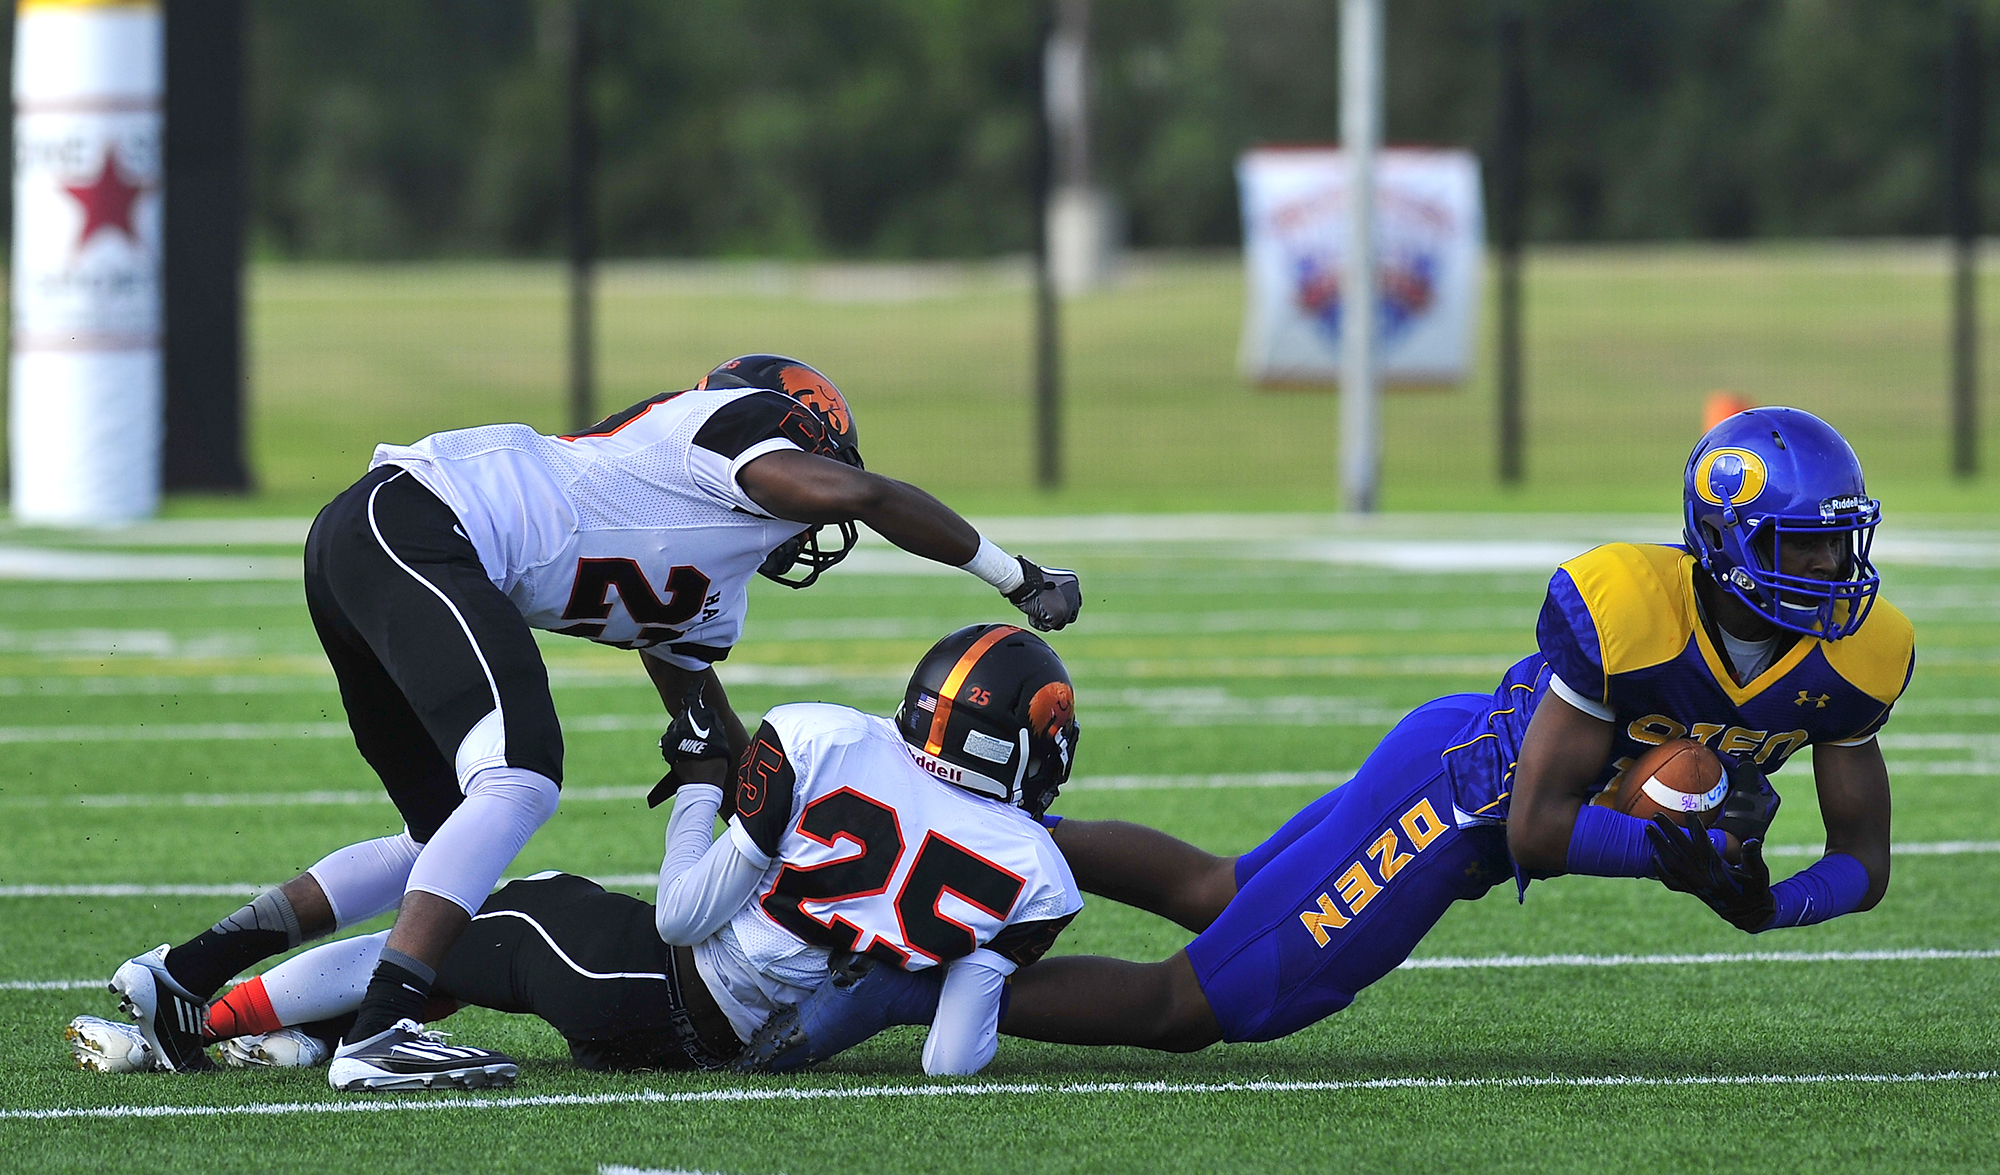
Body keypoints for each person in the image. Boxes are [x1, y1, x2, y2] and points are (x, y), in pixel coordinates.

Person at [750, 406, 1914, 1065]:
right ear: (1720, 539)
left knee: (1221, 889)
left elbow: (1862, 860)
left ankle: (1004, 820)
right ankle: (912, 988)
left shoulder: (1861, 652)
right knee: (1199, 1007)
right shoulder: (1624, 606)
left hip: (1468, 750)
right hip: (1463, 796)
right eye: (1795, 545)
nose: (1825, 570)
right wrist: (1673, 852)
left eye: (1835, 543)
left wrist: (1769, 901)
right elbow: (1535, 827)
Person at [98, 355, 1083, 1091]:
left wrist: (725, 775)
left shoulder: (714, 583)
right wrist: (1016, 574)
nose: (814, 517)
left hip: (373, 543)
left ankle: (181, 977)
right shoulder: (727, 426)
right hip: (418, 523)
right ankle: (379, 1032)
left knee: (438, 838)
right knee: (520, 778)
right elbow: (863, 495)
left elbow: (702, 708)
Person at [74, 624, 1083, 1085]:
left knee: (464, 921)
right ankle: (298, 1043)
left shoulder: (826, 738)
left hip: (657, 984)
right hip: (744, 1036)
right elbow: (954, 1059)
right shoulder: (1035, 872)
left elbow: (685, 913)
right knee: (519, 928)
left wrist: (698, 780)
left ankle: (200, 1018)